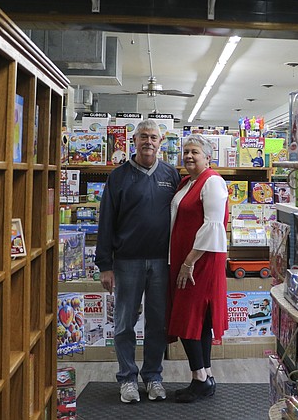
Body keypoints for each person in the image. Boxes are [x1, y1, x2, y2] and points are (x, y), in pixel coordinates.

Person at [95, 119, 180, 404]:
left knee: (157, 324)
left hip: (161, 262)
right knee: (123, 324)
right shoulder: (118, 176)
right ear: (134, 140)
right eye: (143, 136)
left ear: (161, 141)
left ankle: (153, 376)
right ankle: (128, 379)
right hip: (126, 262)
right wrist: (105, 265)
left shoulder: (171, 174)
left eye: (153, 137)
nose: (148, 141)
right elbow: (105, 221)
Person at [168, 134, 230, 403]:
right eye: (186, 152)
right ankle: (205, 376)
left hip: (199, 262)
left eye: (195, 152)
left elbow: (213, 226)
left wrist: (188, 262)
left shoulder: (212, 181)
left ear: (208, 156)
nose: (189, 156)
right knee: (200, 321)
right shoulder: (187, 182)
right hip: (187, 259)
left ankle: (199, 379)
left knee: (188, 318)